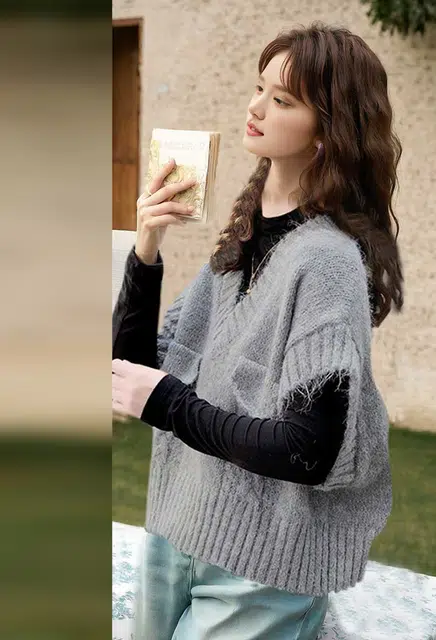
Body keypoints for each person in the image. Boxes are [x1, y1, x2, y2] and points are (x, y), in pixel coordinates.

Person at [112, 21, 403, 640]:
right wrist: (147, 246)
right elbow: (131, 372)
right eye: (259, 88)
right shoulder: (241, 245)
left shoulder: (325, 261)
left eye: (283, 99)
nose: (256, 107)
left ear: (328, 130)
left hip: (262, 564)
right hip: (177, 525)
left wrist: (169, 403)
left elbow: (307, 450)